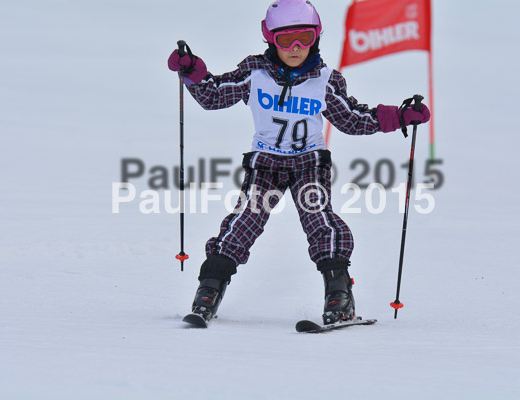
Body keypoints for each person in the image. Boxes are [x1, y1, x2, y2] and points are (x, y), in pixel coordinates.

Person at [168, 0, 430, 325]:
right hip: (266, 162)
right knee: (244, 220)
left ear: (316, 39)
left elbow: (351, 118)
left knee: (319, 218)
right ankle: (210, 288)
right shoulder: (255, 72)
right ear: (270, 40)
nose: (295, 48)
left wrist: (399, 117)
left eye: (304, 39)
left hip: (309, 162)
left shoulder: (324, 80)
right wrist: (193, 71)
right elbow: (215, 95)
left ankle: (339, 293)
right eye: (285, 40)